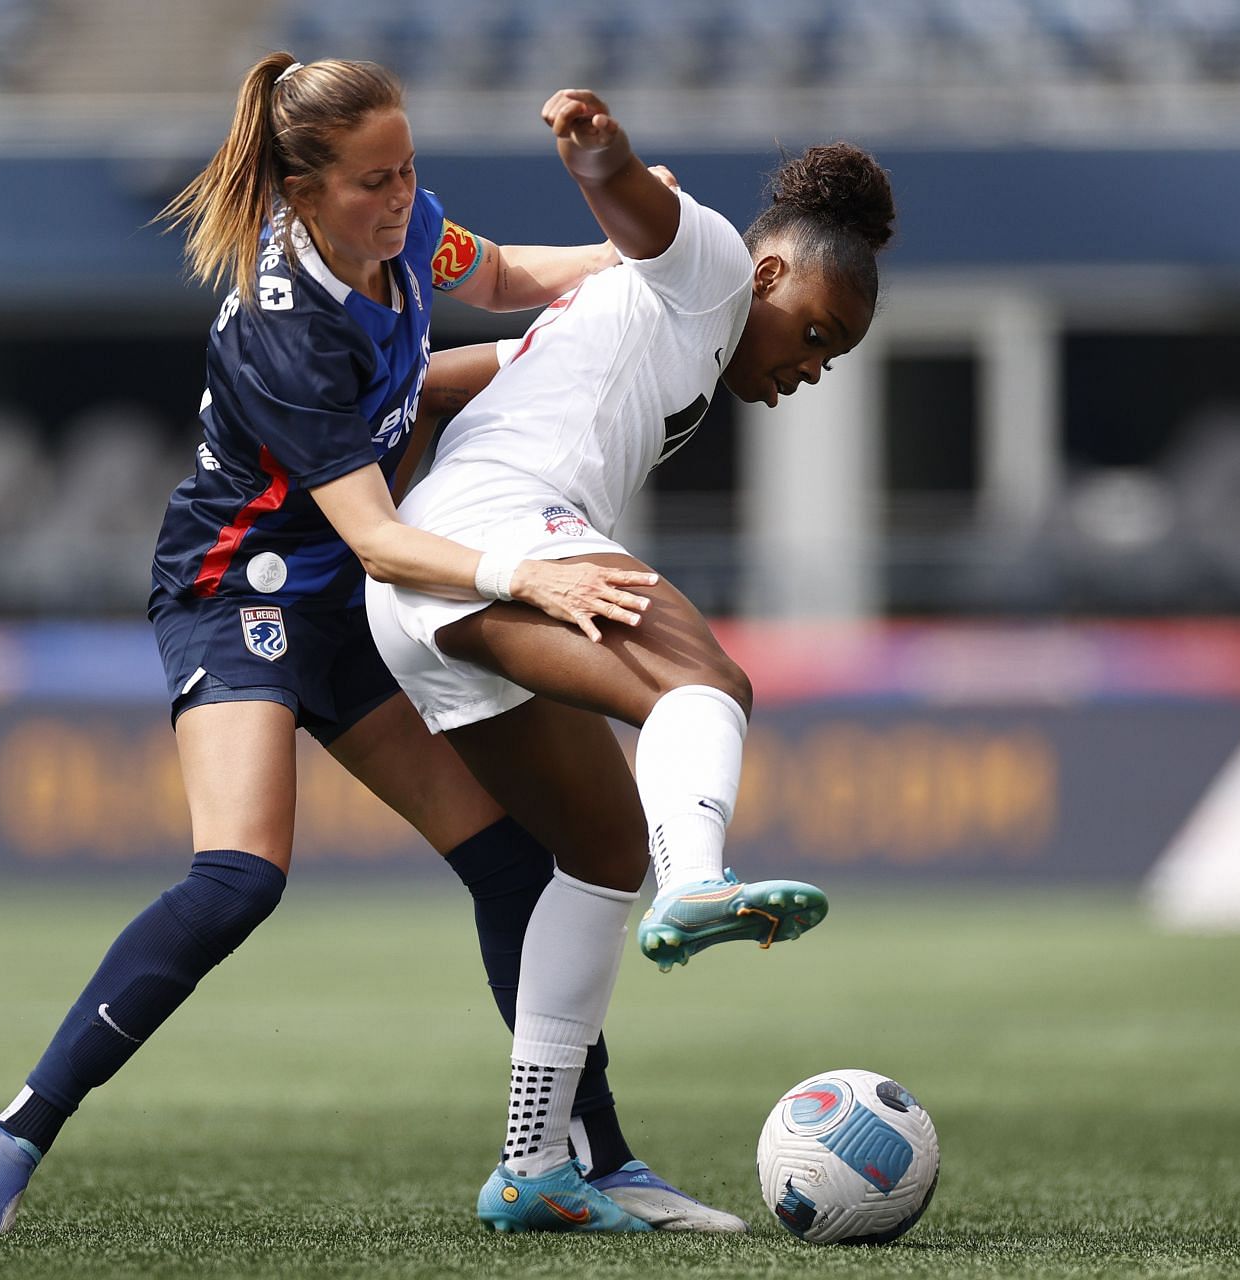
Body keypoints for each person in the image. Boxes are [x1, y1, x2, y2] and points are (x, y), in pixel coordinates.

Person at [0, 55, 748, 1237]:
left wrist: (639, 262)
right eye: (374, 180)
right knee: (241, 876)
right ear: (301, 189)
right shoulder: (285, 326)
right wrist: (528, 571)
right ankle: (13, 1129)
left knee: (516, 865)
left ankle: (592, 1162)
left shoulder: (402, 220)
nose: (400, 196)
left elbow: (510, 271)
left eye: (408, 168)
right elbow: (375, 535)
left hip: (352, 603)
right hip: (243, 589)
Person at [363, 90, 896, 1231]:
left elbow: (455, 375)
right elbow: (641, 203)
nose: (815, 365)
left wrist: (374, 464)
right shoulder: (709, 269)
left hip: (428, 587)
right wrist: (598, 152)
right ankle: (698, 876)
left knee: (602, 849)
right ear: (768, 276)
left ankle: (535, 1163)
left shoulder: (650, 329)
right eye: (816, 331)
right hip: (502, 540)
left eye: (837, 355)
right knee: (710, 684)